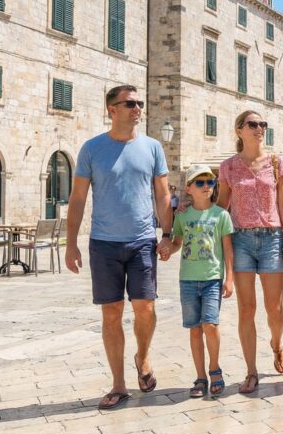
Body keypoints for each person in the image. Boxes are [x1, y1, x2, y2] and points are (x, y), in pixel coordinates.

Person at [64, 85, 172, 410]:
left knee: (146, 308)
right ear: (112, 109)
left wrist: (167, 234)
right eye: (130, 103)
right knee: (111, 314)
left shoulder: (152, 147)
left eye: (139, 102)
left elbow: (163, 196)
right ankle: (119, 384)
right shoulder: (92, 149)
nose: (138, 107)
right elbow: (78, 198)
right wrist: (71, 243)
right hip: (104, 244)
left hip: (142, 241)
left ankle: (143, 355)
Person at [217, 110, 283, 394]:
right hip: (241, 240)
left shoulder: (276, 163)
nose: (259, 128)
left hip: (272, 237)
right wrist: (198, 216)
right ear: (239, 130)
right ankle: (251, 370)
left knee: (275, 309)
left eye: (262, 124)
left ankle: (277, 343)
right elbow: (222, 204)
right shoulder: (228, 167)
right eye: (253, 124)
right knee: (246, 308)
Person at [160, 165, 235, 398]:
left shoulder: (221, 215)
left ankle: (215, 369)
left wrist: (229, 278)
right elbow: (177, 243)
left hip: (212, 278)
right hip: (188, 280)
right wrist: (166, 250)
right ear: (189, 188)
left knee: (210, 325)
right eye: (200, 183)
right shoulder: (182, 215)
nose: (206, 187)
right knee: (194, 330)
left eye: (210, 183)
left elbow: (228, 250)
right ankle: (200, 376)